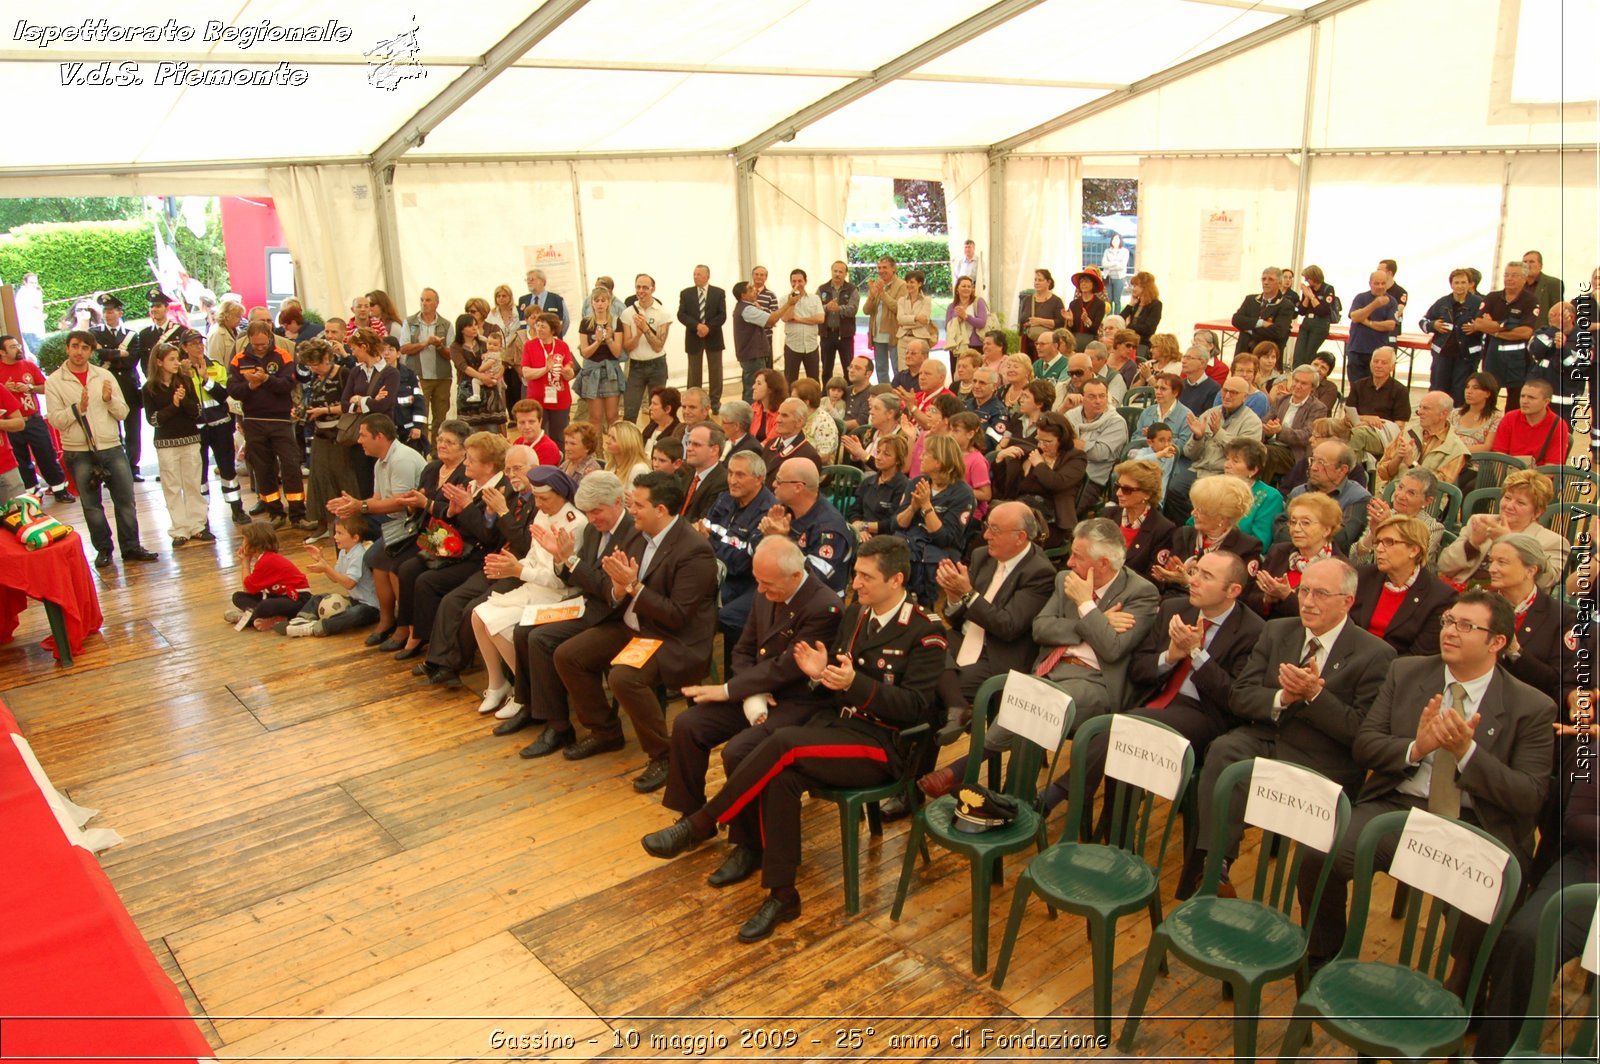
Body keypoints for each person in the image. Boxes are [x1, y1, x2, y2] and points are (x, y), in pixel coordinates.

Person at [639, 535, 945, 941]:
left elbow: (918, 709)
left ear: (897, 580)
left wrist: (853, 685)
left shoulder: (925, 632)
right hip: (837, 726)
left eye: (866, 577)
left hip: (882, 744)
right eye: (856, 574)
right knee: (781, 775)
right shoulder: (857, 615)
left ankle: (702, 822)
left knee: (781, 744)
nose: (856, 584)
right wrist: (820, 674)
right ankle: (782, 894)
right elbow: (828, 682)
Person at [1299, 589, 1555, 971]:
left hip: (1476, 823)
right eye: (1448, 621)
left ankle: (1466, 988)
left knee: (1488, 904)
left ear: (1497, 642)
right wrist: (1416, 749)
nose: (1450, 631)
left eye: (1466, 626)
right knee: (1321, 853)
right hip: (1401, 806)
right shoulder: (1407, 672)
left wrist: (1467, 754)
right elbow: (1366, 746)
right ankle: (1324, 956)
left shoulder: (1531, 707)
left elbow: (1529, 796)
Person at [1183, 558, 1396, 897]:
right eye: (1304, 591)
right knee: (1224, 749)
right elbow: (1241, 697)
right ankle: (1216, 865)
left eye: (1321, 594)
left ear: (1347, 602)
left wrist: (1314, 695)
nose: (1308, 601)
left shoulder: (1376, 654)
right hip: (1268, 738)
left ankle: (1320, 940)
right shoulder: (1278, 631)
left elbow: (1360, 732)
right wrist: (1283, 697)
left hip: (1323, 757)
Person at [664, 536, 845, 887]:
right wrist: (751, 694)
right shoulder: (768, 592)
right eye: (757, 581)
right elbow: (744, 647)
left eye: (767, 584)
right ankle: (692, 820)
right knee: (688, 724)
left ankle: (749, 844)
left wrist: (735, 690)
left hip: (798, 702)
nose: (759, 590)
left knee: (740, 751)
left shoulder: (823, 606)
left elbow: (789, 667)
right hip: (759, 692)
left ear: (795, 576)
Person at [554, 471, 719, 793]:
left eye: (638, 505)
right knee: (568, 655)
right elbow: (609, 584)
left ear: (661, 510)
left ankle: (664, 755)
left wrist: (632, 586)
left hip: (669, 637)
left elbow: (677, 615)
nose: (632, 511)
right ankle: (605, 732)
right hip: (629, 625)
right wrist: (578, 566)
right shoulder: (636, 534)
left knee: (623, 676)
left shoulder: (694, 551)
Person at [1070, 550, 1266, 816]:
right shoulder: (1176, 608)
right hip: (1155, 702)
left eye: (1206, 576)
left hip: (1204, 714)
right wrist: (1171, 656)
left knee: (1122, 729)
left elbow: (1234, 698)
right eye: (1195, 571)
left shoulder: (1253, 631)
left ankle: (1058, 795)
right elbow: (1139, 669)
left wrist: (1197, 654)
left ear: (1232, 590)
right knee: (1121, 736)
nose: (1193, 580)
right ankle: (1114, 828)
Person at [500, 472, 635, 749]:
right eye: (589, 512)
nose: (593, 518)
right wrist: (562, 561)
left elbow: (607, 587)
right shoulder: (593, 529)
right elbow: (578, 578)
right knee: (524, 630)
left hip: (615, 615)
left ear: (618, 502)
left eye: (597, 511)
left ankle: (559, 725)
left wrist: (570, 562)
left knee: (542, 639)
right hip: (590, 603)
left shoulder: (632, 533)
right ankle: (532, 706)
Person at [1472, 773, 1598, 1064]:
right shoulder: (1592, 750)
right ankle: (1494, 1055)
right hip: (1591, 865)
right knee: (1527, 937)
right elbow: (1577, 820)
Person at [470, 466, 588, 718]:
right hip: (535, 586)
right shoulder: (542, 515)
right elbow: (534, 559)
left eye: (544, 498)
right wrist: (512, 567)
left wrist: (518, 572)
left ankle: (525, 692)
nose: (539, 503)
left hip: (561, 595)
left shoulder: (575, 523)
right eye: (536, 498)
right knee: (477, 615)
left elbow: (563, 581)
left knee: (498, 626)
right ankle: (497, 683)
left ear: (562, 494)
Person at [45, 331, 156, 568]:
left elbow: (123, 412)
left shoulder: (104, 375)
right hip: (79, 451)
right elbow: (55, 420)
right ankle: (104, 549)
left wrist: (109, 400)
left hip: (112, 446)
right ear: (67, 348)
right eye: (75, 346)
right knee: (91, 505)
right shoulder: (54, 381)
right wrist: (77, 408)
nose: (79, 352)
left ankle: (131, 547)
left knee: (125, 500)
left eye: (85, 348)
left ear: (91, 351)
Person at [229, 319, 307, 528]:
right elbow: (233, 390)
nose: (261, 347)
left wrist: (266, 380)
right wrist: (251, 386)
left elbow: (288, 384)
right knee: (263, 468)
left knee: (290, 465)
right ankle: (275, 512)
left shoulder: (282, 355)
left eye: (264, 343)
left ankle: (298, 513)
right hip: (253, 421)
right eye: (256, 345)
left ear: (270, 337)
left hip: (280, 419)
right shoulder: (238, 359)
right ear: (250, 340)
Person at [1438, 467, 1565, 591]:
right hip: (1462, 593)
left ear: (1538, 512)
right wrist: (1472, 544)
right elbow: (1444, 566)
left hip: (1507, 605)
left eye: (1520, 503)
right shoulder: (1480, 521)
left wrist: (1511, 542)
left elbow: (1545, 581)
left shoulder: (1553, 542)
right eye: (1507, 498)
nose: (1509, 506)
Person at [1350, 515, 1454, 657]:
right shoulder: (1362, 577)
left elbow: (1420, 656)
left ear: (1414, 550)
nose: (1379, 549)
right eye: (1378, 542)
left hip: (1397, 672)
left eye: (1389, 542)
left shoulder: (1440, 597)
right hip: (1350, 661)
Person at [1150, 475, 1262, 598]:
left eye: (1201, 511)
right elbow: (1156, 582)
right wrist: (1165, 577)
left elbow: (1238, 597)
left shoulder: (1245, 548)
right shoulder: (1182, 534)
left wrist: (1188, 582)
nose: (1193, 514)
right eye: (1194, 507)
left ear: (1222, 518)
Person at [141, 342, 209, 546]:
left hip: (190, 440)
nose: (176, 362)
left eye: (176, 358)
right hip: (166, 443)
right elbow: (154, 420)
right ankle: (179, 529)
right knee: (172, 486)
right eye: (171, 359)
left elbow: (197, 411)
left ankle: (198, 525)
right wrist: (174, 405)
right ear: (159, 362)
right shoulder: (149, 388)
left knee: (193, 484)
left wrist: (184, 401)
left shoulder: (185, 381)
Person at [896, 435, 973, 606]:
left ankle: (923, 608)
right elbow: (899, 523)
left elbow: (945, 538)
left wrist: (926, 505)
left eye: (926, 454)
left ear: (938, 462)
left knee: (926, 562)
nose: (920, 456)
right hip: (910, 541)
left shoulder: (963, 493)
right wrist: (913, 507)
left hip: (941, 549)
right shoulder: (917, 482)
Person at [179, 329, 244, 523]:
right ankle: (201, 515)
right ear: (184, 348)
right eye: (193, 344)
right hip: (195, 427)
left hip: (220, 424)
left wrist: (206, 379)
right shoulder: (180, 371)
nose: (199, 347)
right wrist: (184, 375)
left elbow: (224, 395)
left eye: (200, 342)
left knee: (227, 468)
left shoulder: (216, 367)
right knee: (198, 471)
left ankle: (236, 508)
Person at [760, 457, 852, 595]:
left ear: (798, 487)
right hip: (782, 589)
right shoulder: (784, 509)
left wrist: (781, 542)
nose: (773, 484)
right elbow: (755, 547)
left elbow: (813, 577)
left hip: (817, 602)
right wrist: (768, 537)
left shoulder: (829, 529)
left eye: (779, 481)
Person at [1249, 492, 1346, 620]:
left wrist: (1287, 596)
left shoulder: (1340, 567)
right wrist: (1267, 599)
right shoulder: (1278, 552)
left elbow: (1326, 617)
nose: (1296, 529)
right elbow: (1251, 600)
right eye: (1293, 522)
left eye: (1305, 523)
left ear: (1326, 530)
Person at [282, 515, 382, 637]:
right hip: (355, 600)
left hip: (370, 607)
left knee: (355, 614)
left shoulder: (359, 554)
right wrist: (322, 561)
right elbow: (334, 578)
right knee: (318, 598)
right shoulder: (343, 552)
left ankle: (314, 628)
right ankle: (302, 619)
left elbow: (349, 583)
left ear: (355, 537)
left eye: (340, 533)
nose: (335, 537)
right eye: (335, 533)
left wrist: (326, 567)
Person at [0, 334, 72, 501]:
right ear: (2, 352)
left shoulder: (28, 366)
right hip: (11, 423)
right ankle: (32, 494)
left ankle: (60, 490)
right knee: (21, 460)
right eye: (12, 347)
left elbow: (45, 387)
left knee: (46, 453)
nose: (18, 349)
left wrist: (30, 387)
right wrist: (6, 390)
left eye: (18, 345)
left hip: (33, 419)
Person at [1001, 412, 1086, 545]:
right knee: (995, 530)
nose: (1041, 445)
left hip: (1051, 523)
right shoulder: (1032, 453)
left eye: (1047, 441)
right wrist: (1000, 458)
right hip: (1020, 513)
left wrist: (1039, 464)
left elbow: (1057, 483)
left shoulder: (1076, 458)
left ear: (1062, 440)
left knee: (1010, 538)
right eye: (1039, 439)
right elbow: (1006, 487)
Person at [1277, 440, 1371, 552]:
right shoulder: (1299, 492)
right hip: (1292, 554)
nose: (1313, 468)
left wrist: (1303, 540)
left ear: (1342, 470)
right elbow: (1280, 530)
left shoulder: (1358, 497)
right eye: (1312, 460)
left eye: (1321, 463)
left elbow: (1343, 539)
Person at [87, 294, 143, 479]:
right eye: (105, 311)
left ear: (120, 312)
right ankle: (113, 469)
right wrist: (119, 353)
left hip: (128, 387)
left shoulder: (131, 334)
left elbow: (132, 361)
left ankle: (133, 467)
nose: (107, 314)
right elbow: (95, 355)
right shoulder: (94, 333)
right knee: (110, 430)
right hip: (106, 387)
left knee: (133, 429)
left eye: (111, 311)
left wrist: (108, 353)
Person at [1472, 261, 1543, 409]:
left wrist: (1494, 328)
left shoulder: (1531, 301)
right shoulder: (1492, 297)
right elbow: (1478, 323)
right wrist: (1507, 326)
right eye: (1506, 275)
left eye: (1514, 275)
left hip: (1517, 362)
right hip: (1492, 359)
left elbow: (1525, 332)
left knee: (1514, 403)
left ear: (1524, 278)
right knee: (1487, 399)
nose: (1509, 279)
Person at [1350, 467, 1447, 568]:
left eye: (1411, 493)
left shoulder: (1432, 528)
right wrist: (1372, 535)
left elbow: (1409, 567)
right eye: (1400, 487)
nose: (1400, 495)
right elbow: (1354, 560)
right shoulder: (1384, 515)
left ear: (1427, 501)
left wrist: (1388, 526)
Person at [223, 520, 310, 630]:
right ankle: (271, 617)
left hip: (298, 599)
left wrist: (245, 562)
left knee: (266, 605)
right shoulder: (264, 558)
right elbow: (250, 589)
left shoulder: (267, 560)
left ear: (254, 543)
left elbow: (248, 588)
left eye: (244, 539)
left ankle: (249, 619)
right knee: (238, 597)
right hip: (279, 596)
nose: (242, 543)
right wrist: (246, 561)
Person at [1099, 459, 1176, 581]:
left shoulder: (1163, 529)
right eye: (1117, 486)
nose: (1118, 493)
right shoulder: (1107, 515)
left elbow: (1153, 579)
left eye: (1127, 489)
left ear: (1147, 494)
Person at [1374, 390, 1467, 490]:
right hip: (1393, 494)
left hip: (1428, 504)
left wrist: (1412, 463)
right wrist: (1398, 458)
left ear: (1443, 414)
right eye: (1420, 407)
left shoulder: (1456, 449)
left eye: (1426, 408)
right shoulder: (1408, 432)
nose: (1419, 412)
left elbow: (1439, 486)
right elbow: (1382, 473)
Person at [1420, 268, 1486, 402]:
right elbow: (1423, 321)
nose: (1460, 286)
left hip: (1466, 358)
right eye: (1456, 283)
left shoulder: (1479, 303)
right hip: (1442, 357)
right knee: (1438, 391)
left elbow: (1490, 325)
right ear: (1451, 284)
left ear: (1470, 284)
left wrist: (1477, 327)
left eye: (1463, 282)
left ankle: (1457, 420)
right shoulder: (1442, 302)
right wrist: (1434, 325)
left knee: (1460, 392)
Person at [398, 288, 453, 439]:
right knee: (420, 416)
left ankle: (438, 451)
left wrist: (439, 346)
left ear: (437, 303)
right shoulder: (409, 322)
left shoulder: (446, 325)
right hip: (418, 377)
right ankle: (422, 448)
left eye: (428, 300)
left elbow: (451, 354)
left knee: (440, 417)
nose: (424, 303)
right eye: (422, 300)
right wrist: (425, 343)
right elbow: (403, 348)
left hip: (442, 377)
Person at [1066, 377, 1128, 512]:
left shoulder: (1116, 422)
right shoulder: (1071, 415)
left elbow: (1100, 453)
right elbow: (1054, 439)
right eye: (1092, 397)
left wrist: (1073, 442)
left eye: (1102, 396)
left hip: (1091, 479)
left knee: (1066, 509)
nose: (1098, 401)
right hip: (1065, 471)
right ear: (1082, 398)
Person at [673, 265, 727, 408]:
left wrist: (708, 328)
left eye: (699, 274)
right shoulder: (686, 293)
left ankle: (715, 402)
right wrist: (697, 326)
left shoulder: (718, 293)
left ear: (707, 276)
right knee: (694, 372)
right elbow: (681, 314)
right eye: (694, 274)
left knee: (716, 371)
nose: (695, 277)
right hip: (693, 337)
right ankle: (693, 402)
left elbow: (722, 315)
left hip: (713, 337)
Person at [1345, 346, 1412, 461]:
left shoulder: (1400, 390)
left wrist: (1371, 425)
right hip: (1357, 426)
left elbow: (1399, 426)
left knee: (1357, 434)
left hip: (1383, 435)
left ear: (1392, 367)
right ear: (1370, 364)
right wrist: (1366, 419)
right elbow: (1347, 416)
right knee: (1328, 427)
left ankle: (1348, 473)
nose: (1379, 365)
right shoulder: (1359, 385)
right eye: (1376, 361)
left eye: (1384, 363)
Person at [575, 286, 625, 429]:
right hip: (592, 372)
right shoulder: (585, 323)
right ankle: (597, 451)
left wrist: (608, 339)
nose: (600, 304)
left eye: (603, 300)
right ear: (592, 303)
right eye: (596, 300)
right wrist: (597, 341)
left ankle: (613, 449)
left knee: (612, 416)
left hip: (611, 372)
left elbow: (617, 352)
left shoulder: (615, 322)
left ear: (609, 302)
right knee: (595, 417)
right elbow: (585, 353)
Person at [520, 312, 574, 443]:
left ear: (553, 329)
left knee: (560, 437)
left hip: (560, 399)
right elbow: (526, 372)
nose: (539, 329)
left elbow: (570, 373)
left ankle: (559, 462)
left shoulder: (562, 345)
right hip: (537, 400)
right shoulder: (530, 345)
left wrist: (565, 371)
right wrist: (545, 369)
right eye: (537, 325)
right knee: (537, 436)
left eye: (543, 326)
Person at [847, 434, 913, 540]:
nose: (878, 457)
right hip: (862, 533)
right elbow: (854, 511)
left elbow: (893, 523)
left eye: (886, 454)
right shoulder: (868, 481)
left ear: (898, 460)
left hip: (885, 539)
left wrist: (864, 526)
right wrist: (859, 529)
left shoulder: (903, 486)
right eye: (878, 452)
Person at [1490, 377, 1568, 465]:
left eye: (1531, 398)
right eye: (1522, 396)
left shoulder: (1558, 425)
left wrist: (1528, 479)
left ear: (1546, 402)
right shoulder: (1510, 418)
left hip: (1539, 476)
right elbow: (1498, 456)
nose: (1524, 401)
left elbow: (1553, 466)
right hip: (1509, 474)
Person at [1224, 439, 1285, 549]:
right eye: (1227, 459)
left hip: (1242, 555)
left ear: (1253, 470)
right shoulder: (1217, 488)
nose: (1227, 465)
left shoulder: (1270, 497)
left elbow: (1260, 542)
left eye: (1235, 461)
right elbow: (1193, 523)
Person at [1346, 270, 1403, 385]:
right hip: (1356, 350)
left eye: (1383, 283)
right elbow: (1355, 317)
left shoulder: (1391, 301)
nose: (1380, 286)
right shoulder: (1360, 298)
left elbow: (1390, 325)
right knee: (1356, 386)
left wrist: (1368, 323)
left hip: (1377, 353)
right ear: (1370, 283)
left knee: (1375, 386)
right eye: (1377, 283)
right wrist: (1375, 305)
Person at [862, 257, 907, 384]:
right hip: (877, 335)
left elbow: (898, 308)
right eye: (879, 268)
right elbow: (866, 310)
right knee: (881, 369)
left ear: (894, 269)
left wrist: (882, 293)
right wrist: (871, 296)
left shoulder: (902, 285)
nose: (881, 271)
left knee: (897, 368)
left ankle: (899, 395)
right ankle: (884, 394)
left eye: (884, 267)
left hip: (894, 334)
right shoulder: (877, 285)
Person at [1231, 265, 1296, 354]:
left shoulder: (1285, 305)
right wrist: (1261, 323)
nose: (1266, 282)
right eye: (1263, 279)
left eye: (1270, 279)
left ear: (1280, 283)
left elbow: (1278, 332)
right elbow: (1236, 320)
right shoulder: (1250, 300)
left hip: (1266, 354)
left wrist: (1249, 329)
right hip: (1243, 351)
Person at [777, 269, 825, 385]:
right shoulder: (784, 299)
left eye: (800, 281)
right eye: (794, 281)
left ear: (805, 281)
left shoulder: (815, 298)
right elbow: (786, 318)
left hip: (811, 345)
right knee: (790, 380)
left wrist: (798, 319)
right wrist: (792, 302)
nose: (797, 284)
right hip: (792, 345)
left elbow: (820, 319)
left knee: (813, 380)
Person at [815, 261, 859, 385]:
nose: (837, 274)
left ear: (845, 274)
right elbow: (815, 308)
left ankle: (850, 393)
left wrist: (839, 309)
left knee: (848, 369)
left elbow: (853, 309)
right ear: (831, 272)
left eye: (840, 272)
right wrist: (826, 308)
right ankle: (825, 395)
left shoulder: (852, 289)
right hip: (827, 334)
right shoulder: (822, 289)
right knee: (826, 369)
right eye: (835, 271)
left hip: (845, 335)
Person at [1293, 265, 1338, 367]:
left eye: (1307, 278)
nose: (1306, 280)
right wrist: (1306, 297)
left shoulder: (1328, 289)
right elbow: (1302, 311)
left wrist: (1312, 296)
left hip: (1320, 324)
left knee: (1309, 355)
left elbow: (1323, 310)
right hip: (1307, 322)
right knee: (1299, 354)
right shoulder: (1308, 289)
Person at [1450, 370, 1503, 455]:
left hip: (1476, 462)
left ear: (1488, 393)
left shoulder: (1496, 417)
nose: (1469, 391)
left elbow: (1487, 446)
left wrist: (1458, 451)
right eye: (1467, 387)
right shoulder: (1455, 413)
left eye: (1475, 388)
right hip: (1450, 459)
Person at [1018, 268, 1068, 359]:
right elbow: (1021, 323)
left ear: (1048, 282)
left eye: (1040, 280)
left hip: (1046, 345)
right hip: (1027, 342)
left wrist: (1041, 321)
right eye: (1035, 280)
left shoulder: (1056, 301)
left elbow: (1060, 323)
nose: (1037, 282)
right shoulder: (1027, 300)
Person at [893, 270, 937, 369]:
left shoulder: (926, 300)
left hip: (920, 339)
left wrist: (906, 321)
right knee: (902, 370)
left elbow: (924, 321)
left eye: (912, 282)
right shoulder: (901, 300)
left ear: (920, 283)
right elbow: (900, 319)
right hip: (903, 339)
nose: (909, 285)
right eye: (907, 282)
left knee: (920, 369)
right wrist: (916, 318)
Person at [791, 379, 838, 464]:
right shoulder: (797, 416)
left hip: (815, 470)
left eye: (794, 398)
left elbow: (824, 457)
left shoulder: (824, 422)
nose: (790, 401)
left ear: (806, 402)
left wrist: (796, 463)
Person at [1064, 267, 1109, 352]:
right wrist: (1070, 321)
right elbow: (1071, 330)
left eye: (1087, 281)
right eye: (1081, 281)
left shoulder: (1099, 304)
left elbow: (1095, 329)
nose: (1083, 284)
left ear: (1093, 284)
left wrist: (1087, 320)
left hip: (1091, 341)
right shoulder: (1073, 304)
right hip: (1074, 340)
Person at [943, 275, 988, 360]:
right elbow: (947, 327)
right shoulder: (951, 306)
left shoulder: (978, 302)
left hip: (976, 345)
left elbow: (982, 323)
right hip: (957, 346)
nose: (966, 288)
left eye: (969, 286)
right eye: (963, 286)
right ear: (957, 289)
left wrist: (966, 317)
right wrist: (957, 321)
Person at [518, 268, 569, 336]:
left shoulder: (556, 299)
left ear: (542, 281)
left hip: (550, 341)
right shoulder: (523, 300)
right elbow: (521, 323)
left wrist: (555, 335)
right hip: (529, 341)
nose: (528, 282)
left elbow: (566, 322)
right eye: (527, 280)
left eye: (531, 279)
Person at [1120, 271, 1162, 350]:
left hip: (1143, 344)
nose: (1133, 289)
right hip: (1128, 342)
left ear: (1145, 287)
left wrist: (1128, 326)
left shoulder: (1156, 305)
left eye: (1136, 286)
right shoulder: (1136, 303)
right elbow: (1119, 320)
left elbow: (1149, 328)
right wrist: (1130, 305)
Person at [602, 421, 651, 488]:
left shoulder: (639, 470)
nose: (607, 441)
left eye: (613, 438)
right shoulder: (610, 465)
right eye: (608, 436)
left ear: (627, 443)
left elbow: (634, 497)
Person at [15, 273, 45, 356]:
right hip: (28, 330)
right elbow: (35, 307)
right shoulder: (23, 294)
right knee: (37, 353)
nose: (34, 285)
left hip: (36, 329)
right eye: (31, 283)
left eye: (35, 283)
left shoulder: (35, 292)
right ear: (25, 282)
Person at [1101, 233, 1130, 306]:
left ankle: (1117, 317)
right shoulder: (1107, 251)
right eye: (1113, 239)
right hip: (1108, 278)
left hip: (1119, 278)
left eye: (1117, 239)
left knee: (1117, 300)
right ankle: (1109, 317)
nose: (1115, 241)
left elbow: (1122, 266)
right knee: (1109, 299)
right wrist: (1116, 263)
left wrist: (1110, 265)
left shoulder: (1125, 251)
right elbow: (1104, 264)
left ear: (1120, 241)